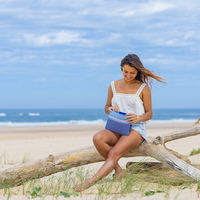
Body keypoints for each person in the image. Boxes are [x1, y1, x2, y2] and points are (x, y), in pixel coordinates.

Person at [76, 54, 166, 191]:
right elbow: (106, 108)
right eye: (126, 71)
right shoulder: (113, 85)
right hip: (117, 126)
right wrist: (110, 108)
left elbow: (149, 113)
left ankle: (89, 182)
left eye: (132, 73)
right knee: (97, 138)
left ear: (137, 72)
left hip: (136, 128)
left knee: (113, 154)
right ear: (121, 68)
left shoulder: (143, 88)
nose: (128, 75)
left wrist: (137, 118)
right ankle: (119, 171)